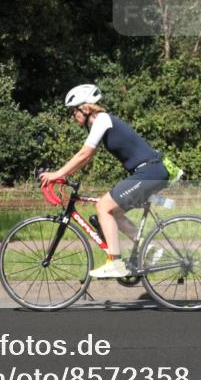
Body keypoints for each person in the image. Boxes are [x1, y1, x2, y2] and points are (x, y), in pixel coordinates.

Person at [39, 84, 170, 278]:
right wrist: (64, 175)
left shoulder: (102, 119)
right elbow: (86, 158)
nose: (73, 116)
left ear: (85, 108)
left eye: (74, 111)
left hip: (149, 172)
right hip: (150, 172)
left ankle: (115, 263)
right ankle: (148, 249)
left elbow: (85, 153)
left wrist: (57, 174)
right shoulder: (100, 122)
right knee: (113, 212)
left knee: (103, 207)